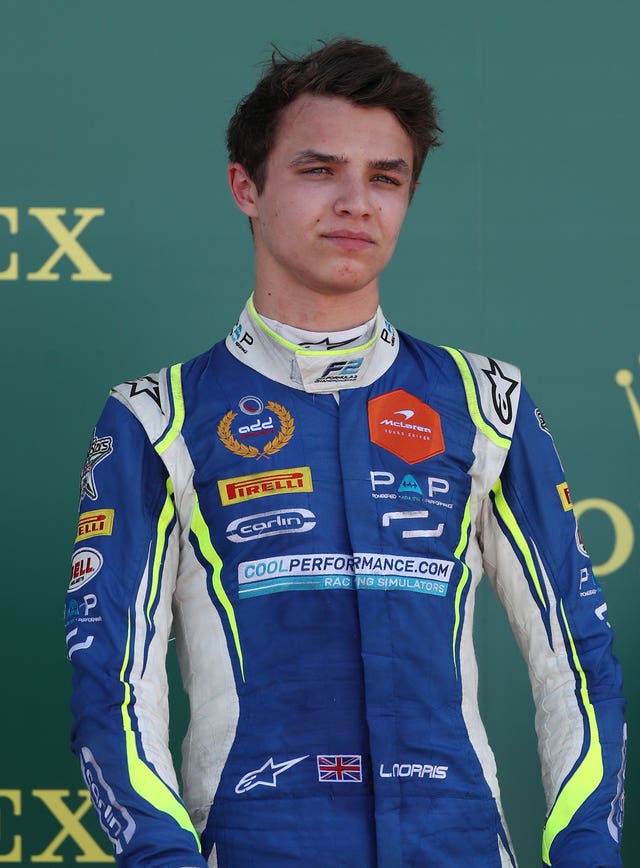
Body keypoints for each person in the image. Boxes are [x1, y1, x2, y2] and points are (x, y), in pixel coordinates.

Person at [65, 38, 626, 867]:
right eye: (320, 170)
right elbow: (112, 680)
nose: (357, 203)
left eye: (386, 177)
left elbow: (573, 658)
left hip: (460, 846)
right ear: (245, 187)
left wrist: (586, 852)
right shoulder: (158, 416)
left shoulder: (487, 403)